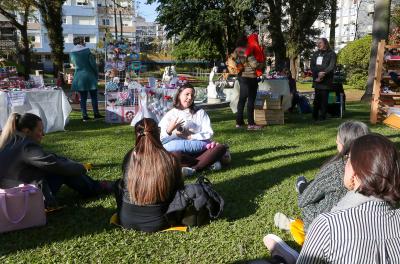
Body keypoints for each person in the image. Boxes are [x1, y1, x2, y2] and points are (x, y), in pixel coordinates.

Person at [264, 133, 400, 264]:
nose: (344, 162)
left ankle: (282, 260)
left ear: (354, 171)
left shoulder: (328, 225)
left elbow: (304, 200)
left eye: (348, 158)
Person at [274, 121, 369, 245]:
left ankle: (301, 228)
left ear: (344, 144)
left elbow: (304, 201)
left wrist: (304, 190)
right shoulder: (375, 167)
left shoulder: (336, 169)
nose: (336, 141)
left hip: (328, 227)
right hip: (362, 228)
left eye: (338, 139)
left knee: (307, 199)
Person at [0, 113, 113, 208]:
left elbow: (48, 158)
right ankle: (96, 187)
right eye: (40, 130)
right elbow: (55, 164)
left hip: (10, 196)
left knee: (61, 166)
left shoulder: (9, 142)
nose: (43, 134)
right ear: (27, 131)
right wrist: (81, 168)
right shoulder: (27, 147)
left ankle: (95, 186)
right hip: (26, 200)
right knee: (63, 171)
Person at [114, 118, 184, 232]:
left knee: (118, 184)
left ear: (136, 134)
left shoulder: (129, 156)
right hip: (161, 221)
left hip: (126, 220)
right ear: (158, 132)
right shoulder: (170, 159)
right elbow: (179, 189)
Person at [158, 83, 228, 173]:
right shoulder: (171, 114)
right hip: (182, 154)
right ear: (179, 95)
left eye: (192, 95)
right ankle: (206, 163)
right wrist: (170, 130)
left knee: (220, 148)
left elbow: (208, 132)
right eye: (187, 94)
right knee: (176, 155)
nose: (190, 97)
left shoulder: (200, 112)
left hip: (200, 150)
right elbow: (160, 139)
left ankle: (193, 169)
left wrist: (191, 136)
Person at [232, 34, 265, 130]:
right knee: (250, 100)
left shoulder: (236, 50)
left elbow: (232, 60)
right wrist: (262, 64)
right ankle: (251, 124)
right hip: (250, 77)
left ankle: (239, 122)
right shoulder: (247, 50)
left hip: (241, 77)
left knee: (241, 100)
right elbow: (255, 65)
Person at [70, 36, 103, 122]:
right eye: (83, 41)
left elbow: (73, 64)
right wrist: (96, 73)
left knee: (83, 98)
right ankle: (96, 114)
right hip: (89, 75)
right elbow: (92, 64)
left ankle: (84, 116)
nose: (85, 42)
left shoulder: (72, 52)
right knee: (94, 96)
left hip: (79, 76)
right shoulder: (87, 51)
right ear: (81, 42)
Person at [310, 38, 336, 121]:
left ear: (325, 43)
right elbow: (312, 66)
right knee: (317, 98)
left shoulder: (332, 54)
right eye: (317, 43)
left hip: (326, 80)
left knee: (324, 99)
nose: (318, 44)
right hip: (317, 79)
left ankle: (323, 116)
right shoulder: (316, 54)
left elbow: (331, 66)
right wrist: (318, 74)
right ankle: (314, 116)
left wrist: (323, 73)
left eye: (320, 43)